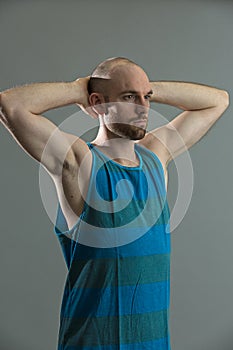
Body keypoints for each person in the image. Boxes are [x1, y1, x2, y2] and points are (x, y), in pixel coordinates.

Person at [0, 57, 229, 349]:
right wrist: (78, 89)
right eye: (129, 98)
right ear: (97, 103)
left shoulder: (156, 158)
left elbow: (217, 101)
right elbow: (10, 105)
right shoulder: (81, 163)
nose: (144, 108)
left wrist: (141, 86)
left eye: (147, 98)